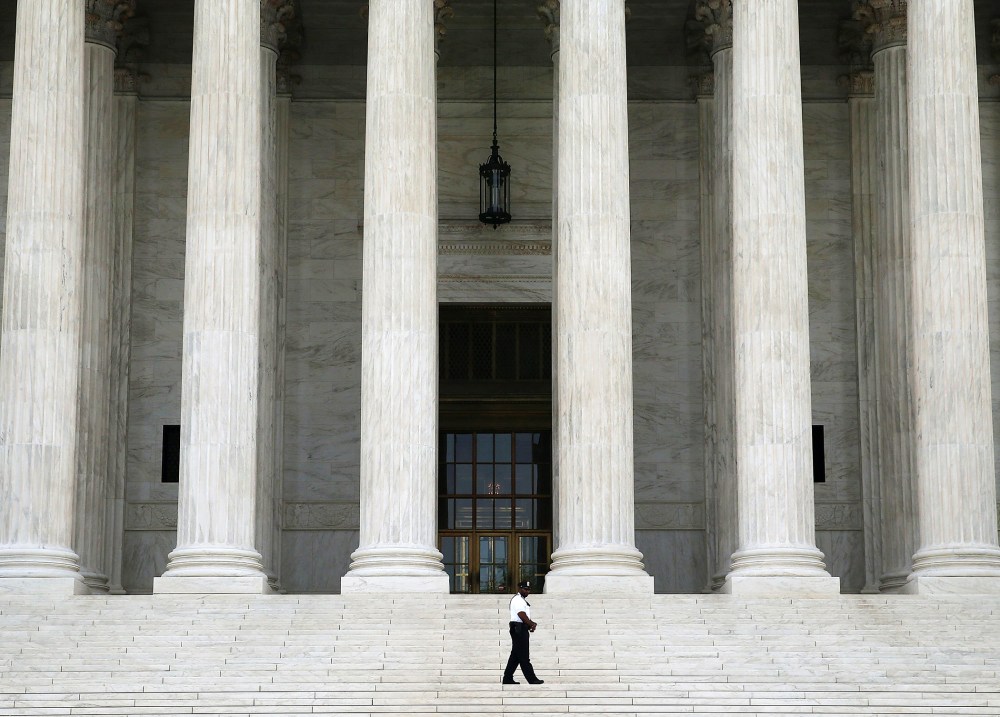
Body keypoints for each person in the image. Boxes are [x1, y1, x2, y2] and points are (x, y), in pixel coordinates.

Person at [502, 580, 544, 685]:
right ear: (519, 588)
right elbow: (521, 614)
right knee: (524, 656)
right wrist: (531, 624)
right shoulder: (518, 599)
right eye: (525, 589)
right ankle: (532, 679)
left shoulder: (521, 600)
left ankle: (507, 678)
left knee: (515, 656)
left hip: (520, 628)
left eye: (529, 589)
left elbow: (524, 616)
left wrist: (529, 624)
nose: (527, 591)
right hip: (518, 628)